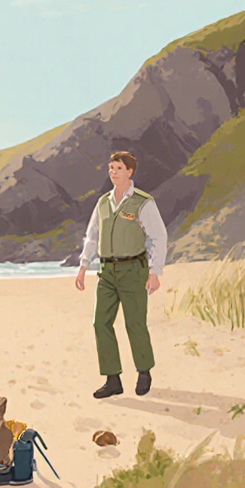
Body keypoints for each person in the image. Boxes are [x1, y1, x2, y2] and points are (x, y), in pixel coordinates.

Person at [75, 151, 168, 399]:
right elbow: (92, 235)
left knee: (135, 323)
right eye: (111, 167)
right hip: (106, 271)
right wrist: (84, 266)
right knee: (100, 323)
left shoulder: (142, 202)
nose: (113, 172)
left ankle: (144, 372)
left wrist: (155, 272)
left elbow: (158, 237)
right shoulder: (103, 202)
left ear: (129, 171)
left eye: (118, 167)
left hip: (133, 270)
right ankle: (112, 378)